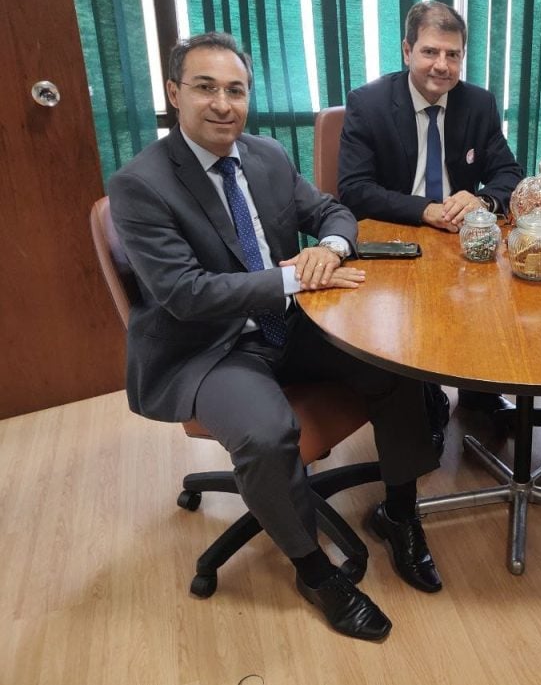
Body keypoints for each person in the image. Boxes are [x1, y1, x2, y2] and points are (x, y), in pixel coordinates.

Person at [108, 32, 444, 642]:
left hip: (290, 322)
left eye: (235, 90)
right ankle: (315, 573)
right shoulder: (140, 185)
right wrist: (292, 275)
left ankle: (399, 514)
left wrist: (334, 247)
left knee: (396, 362)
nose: (223, 104)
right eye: (205, 88)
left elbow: (331, 211)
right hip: (209, 346)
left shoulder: (264, 155)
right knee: (266, 434)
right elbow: (185, 294)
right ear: (174, 93)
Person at [338, 1, 524, 416]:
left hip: (460, 239)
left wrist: (482, 199)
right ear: (407, 52)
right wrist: (425, 210)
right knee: (409, 320)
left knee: (496, 295)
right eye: (430, 52)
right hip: (397, 238)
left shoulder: (478, 103)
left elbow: (510, 173)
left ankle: (479, 390)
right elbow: (353, 190)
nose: (442, 65)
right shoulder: (368, 103)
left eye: (452, 54)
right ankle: (419, 401)